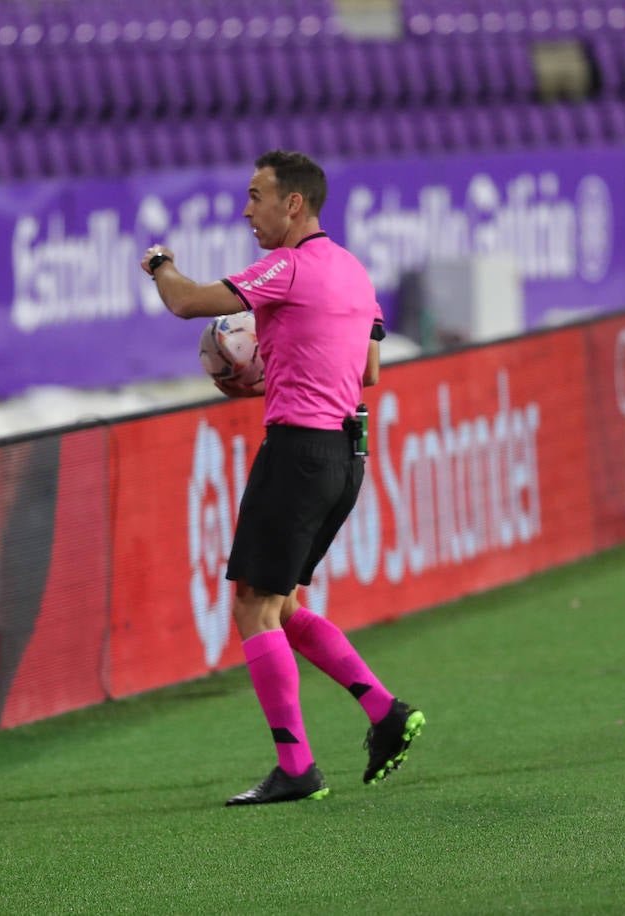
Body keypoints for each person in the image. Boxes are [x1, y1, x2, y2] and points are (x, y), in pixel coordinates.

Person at [141, 150, 424, 805]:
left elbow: (186, 303)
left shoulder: (288, 265)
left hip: (297, 452)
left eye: (256, 195)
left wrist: (160, 263)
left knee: (252, 606)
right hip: (345, 457)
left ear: (293, 204)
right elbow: (369, 372)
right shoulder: (354, 272)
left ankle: (296, 769)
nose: (247, 210)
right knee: (283, 602)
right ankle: (384, 712)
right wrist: (277, 372)